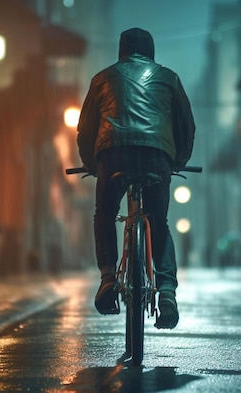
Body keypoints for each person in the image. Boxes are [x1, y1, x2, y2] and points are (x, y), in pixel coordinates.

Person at [77, 27, 196, 329]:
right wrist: (177, 160)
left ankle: (107, 279)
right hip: (157, 156)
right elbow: (186, 126)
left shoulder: (102, 78)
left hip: (113, 153)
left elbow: (86, 130)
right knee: (159, 222)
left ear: (121, 49)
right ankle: (167, 291)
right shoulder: (168, 77)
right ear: (151, 50)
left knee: (104, 214)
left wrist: (92, 164)